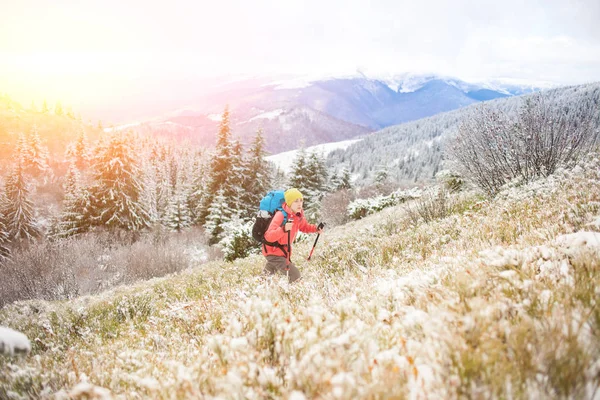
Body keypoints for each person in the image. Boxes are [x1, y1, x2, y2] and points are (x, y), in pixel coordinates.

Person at [262, 188, 323, 282]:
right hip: (273, 250)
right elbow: (268, 236)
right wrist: (283, 229)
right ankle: (297, 294)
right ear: (289, 203)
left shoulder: (298, 216)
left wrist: (315, 228)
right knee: (295, 275)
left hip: (283, 251)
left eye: (301, 200)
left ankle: (259, 289)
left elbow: (304, 227)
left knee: (267, 276)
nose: (299, 203)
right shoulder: (281, 215)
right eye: (296, 201)